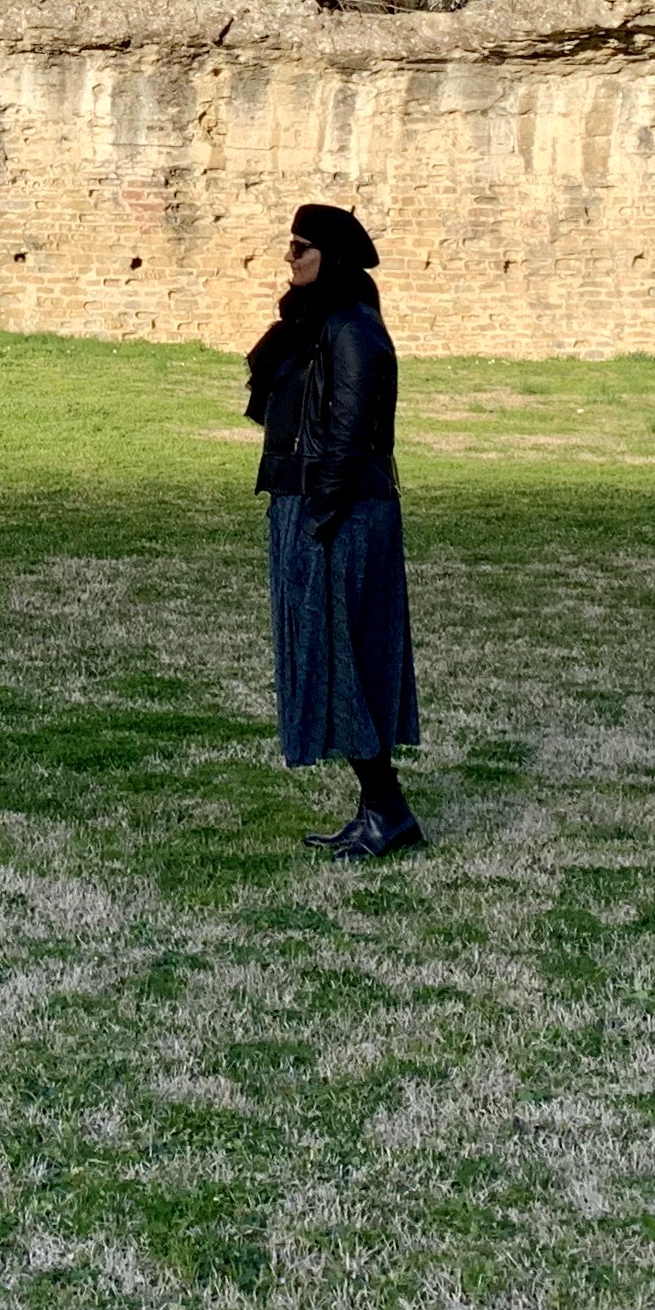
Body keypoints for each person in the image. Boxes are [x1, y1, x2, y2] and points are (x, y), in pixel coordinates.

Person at [245, 200, 421, 858]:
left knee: (342, 658)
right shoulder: (317, 323)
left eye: (301, 248)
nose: (289, 258)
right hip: (310, 505)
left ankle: (387, 811)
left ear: (332, 257)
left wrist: (318, 520)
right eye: (290, 246)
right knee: (330, 657)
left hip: (340, 513)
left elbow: (348, 436)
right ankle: (382, 809)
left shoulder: (353, 329)